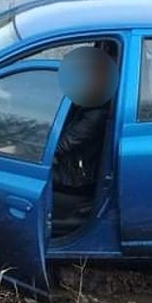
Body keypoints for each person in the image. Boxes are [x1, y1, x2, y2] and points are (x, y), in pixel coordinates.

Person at [52, 46, 117, 227]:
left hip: (77, 174)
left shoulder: (96, 113)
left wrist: (26, 151)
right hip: (75, 164)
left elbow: (64, 145)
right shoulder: (90, 102)